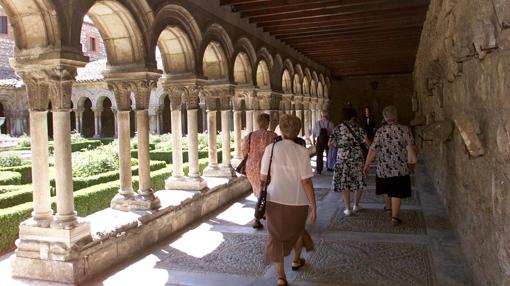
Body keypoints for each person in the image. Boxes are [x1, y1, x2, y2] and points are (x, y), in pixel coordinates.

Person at [260, 114, 317, 286]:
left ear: (281, 129)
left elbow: (263, 177)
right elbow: (306, 181)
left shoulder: (271, 149)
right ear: (297, 131)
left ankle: (281, 277)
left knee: (275, 237)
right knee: (298, 231)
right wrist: (313, 206)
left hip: (274, 199)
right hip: (298, 201)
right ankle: (296, 260)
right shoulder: (301, 151)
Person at [364, 105, 417, 225]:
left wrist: (366, 165)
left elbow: (373, 150)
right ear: (396, 116)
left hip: (384, 167)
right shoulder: (405, 130)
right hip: (400, 167)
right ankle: (395, 217)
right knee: (396, 192)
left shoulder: (380, 131)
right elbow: (413, 147)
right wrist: (413, 164)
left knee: (387, 189)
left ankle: (388, 208)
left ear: (385, 117)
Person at [329, 108, 367, 216]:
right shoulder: (357, 127)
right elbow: (366, 141)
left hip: (342, 158)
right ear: (353, 116)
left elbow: (330, 144)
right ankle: (356, 205)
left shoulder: (338, 128)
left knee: (344, 182)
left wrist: (341, 145)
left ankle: (348, 209)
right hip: (357, 157)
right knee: (358, 181)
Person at [241, 113, 277, 229]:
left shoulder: (250, 136)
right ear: (267, 122)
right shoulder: (273, 136)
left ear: (258, 122)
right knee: (265, 192)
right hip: (268, 167)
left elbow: (244, 151)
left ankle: (262, 214)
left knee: (259, 193)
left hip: (252, 167)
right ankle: (258, 218)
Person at [312, 110, 335, 174]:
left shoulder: (317, 123)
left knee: (319, 155)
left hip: (319, 141)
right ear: (327, 115)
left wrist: (314, 142)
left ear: (321, 115)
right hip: (328, 140)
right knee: (328, 154)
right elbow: (333, 134)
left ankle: (319, 169)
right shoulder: (331, 123)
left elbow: (313, 134)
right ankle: (329, 167)